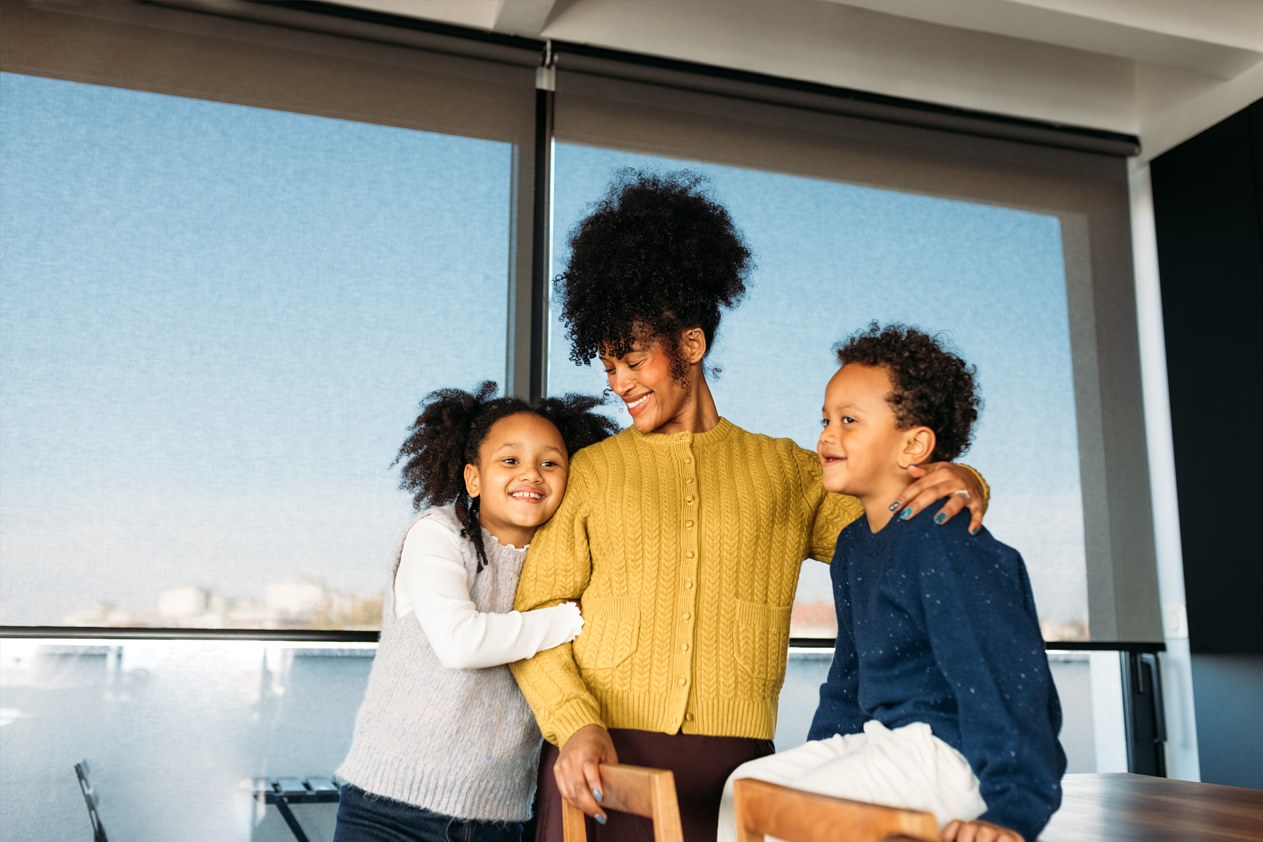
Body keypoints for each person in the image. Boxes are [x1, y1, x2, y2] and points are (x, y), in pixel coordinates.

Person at [509, 171, 991, 842]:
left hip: (730, 772)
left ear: (691, 345)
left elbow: (893, 525)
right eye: (608, 367)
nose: (619, 382)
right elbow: (532, 618)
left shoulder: (788, 472)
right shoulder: (589, 472)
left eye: (633, 362)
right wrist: (573, 724)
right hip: (597, 762)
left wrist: (957, 474)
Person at [718, 323, 1065, 842]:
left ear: (914, 445)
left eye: (849, 421)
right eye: (826, 419)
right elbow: (848, 681)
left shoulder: (947, 540)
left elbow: (1010, 683)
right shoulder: (854, 547)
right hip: (882, 742)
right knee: (744, 789)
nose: (826, 435)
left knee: (804, 812)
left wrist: (1012, 811)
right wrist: (820, 753)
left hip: (951, 754)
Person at [334, 381, 618, 842]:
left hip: (497, 821)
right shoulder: (438, 535)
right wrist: (568, 619)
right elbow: (460, 642)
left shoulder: (564, 564)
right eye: (510, 461)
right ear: (473, 478)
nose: (531, 475)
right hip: (387, 811)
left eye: (550, 463)